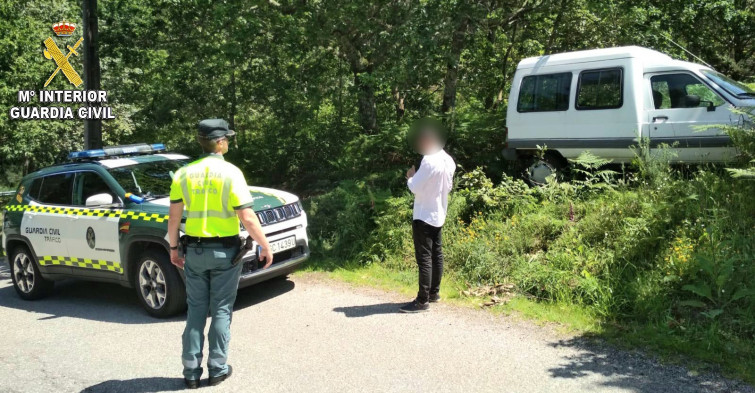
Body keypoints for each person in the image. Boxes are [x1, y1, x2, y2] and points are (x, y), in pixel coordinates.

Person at [167, 119, 273, 388]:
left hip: (193, 252)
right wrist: (265, 245)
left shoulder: (183, 173)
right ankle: (217, 368)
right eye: (228, 138)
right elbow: (247, 216)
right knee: (222, 311)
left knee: (196, 311)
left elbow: (174, 218)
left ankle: (190, 372)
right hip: (225, 253)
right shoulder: (231, 173)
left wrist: (173, 248)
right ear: (221, 142)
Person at [400, 123, 455, 313]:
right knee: (436, 254)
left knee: (424, 258)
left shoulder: (429, 160)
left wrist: (410, 177)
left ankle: (422, 301)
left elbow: (415, 186)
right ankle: (434, 293)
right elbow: (448, 186)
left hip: (424, 214)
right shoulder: (447, 159)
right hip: (439, 211)